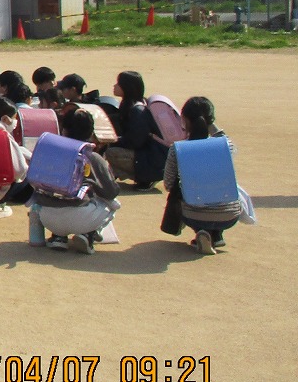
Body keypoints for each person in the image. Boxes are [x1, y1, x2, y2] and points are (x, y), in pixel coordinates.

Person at [29, 108, 120, 255]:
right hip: (81, 218)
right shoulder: (93, 157)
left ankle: (58, 236)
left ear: (64, 130)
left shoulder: (51, 151)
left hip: (47, 217)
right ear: (91, 133)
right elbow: (111, 192)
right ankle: (88, 234)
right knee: (113, 202)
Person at [161, 96, 241, 255]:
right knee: (231, 186)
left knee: (180, 190)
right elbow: (222, 137)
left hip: (193, 214)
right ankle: (216, 234)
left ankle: (202, 230)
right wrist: (208, 122)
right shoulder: (227, 145)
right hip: (230, 215)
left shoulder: (177, 149)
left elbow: (168, 184)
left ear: (184, 120)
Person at [103, 70, 168, 189]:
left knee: (111, 152)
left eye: (118, 83)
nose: (114, 86)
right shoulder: (133, 105)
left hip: (153, 161)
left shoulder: (138, 111)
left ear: (127, 87)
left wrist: (112, 140)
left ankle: (146, 178)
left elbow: (135, 142)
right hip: (151, 156)